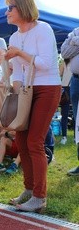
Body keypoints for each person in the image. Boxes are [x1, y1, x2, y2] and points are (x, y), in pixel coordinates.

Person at [4, 0, 61, 212]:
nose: (7, 12)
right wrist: (16, 92)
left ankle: (39, 196)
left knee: (35, 142)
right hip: (26, 90)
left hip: (47, 88)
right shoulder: (14, 37)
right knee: (21, 139)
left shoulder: (43, 29)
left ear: (24, 8)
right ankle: (29, 190)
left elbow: (46, 64)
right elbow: (17, 71)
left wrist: (20, 53)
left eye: (11, 8)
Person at [60, 27, 79, 176]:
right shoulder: (75, 30)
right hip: (75, 80)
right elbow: (64, 52)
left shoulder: (74, 35)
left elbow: (69, 49)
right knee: (78, 124)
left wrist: (74, 41)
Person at [58, 58, 72, 145]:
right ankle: (64, 136)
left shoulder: (66, 61)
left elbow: (60, 73)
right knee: (65, 114)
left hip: (70, 87)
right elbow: (59, 73)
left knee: (68, 114)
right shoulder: (65, 61)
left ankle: (67, 137)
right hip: (66, 88)